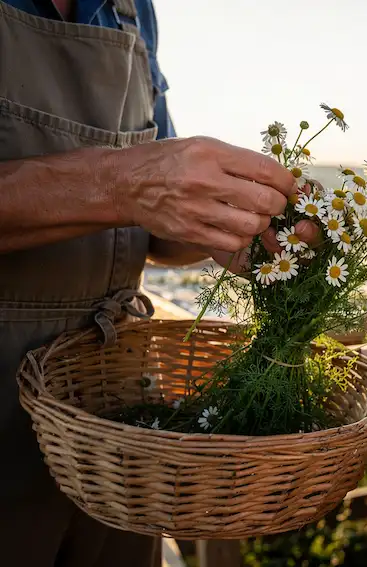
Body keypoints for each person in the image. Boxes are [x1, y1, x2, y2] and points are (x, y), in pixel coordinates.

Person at [0, 1, 315, 565]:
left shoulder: (130, 10)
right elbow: (134, 186)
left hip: (117, 424)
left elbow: (152, 225)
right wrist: (124, 182)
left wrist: (232, 227)